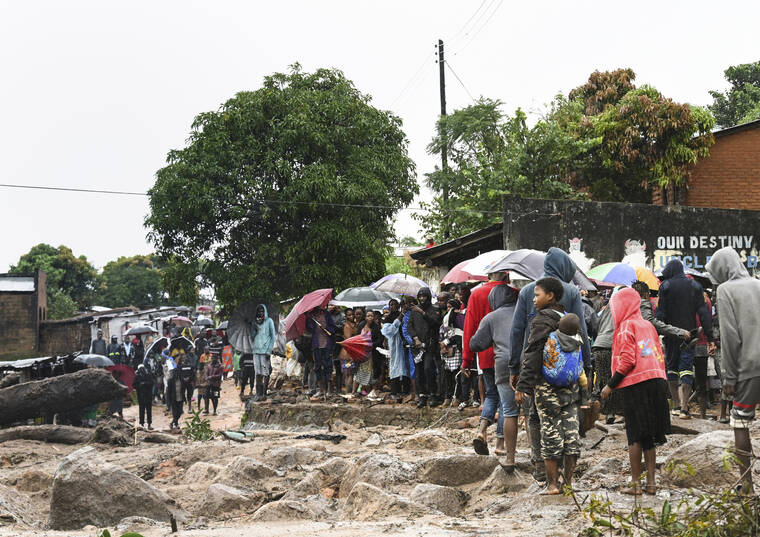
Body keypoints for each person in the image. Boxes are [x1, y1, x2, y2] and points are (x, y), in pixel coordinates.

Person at [511, 248, 591, 480]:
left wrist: (515, 368)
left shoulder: (528, 291)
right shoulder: (571, 291)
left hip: (536, 367)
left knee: (535, 416)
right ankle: (566, 474)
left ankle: (541, 470)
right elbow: (581, 331)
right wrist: (586, 363)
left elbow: (517, 331)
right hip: (566, 367)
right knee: (568, 415)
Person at [601, 287, 670, 495]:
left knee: (634, 435)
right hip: (656, 380)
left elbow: (628, 360)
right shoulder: (648, 325)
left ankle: (635, 484)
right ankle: (651, 483)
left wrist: (610, 385)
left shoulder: (625, 326)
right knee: (649, 434)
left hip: (636, 384)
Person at [515, 277, 581, 495]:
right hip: (570, 386)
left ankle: (552, 485)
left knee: (550, 432)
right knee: (571, 433)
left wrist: (523, 385)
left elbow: (533, 353)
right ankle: (568, 483)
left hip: (547, 387)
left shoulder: (542, 319)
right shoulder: (568, 318)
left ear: (550, 295)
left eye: (537, 294)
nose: (534, 299)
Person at [706, 247, 760, 493]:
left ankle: (746, 485)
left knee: (740, 422)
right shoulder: (758, 284)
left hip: (748, 367)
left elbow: (729, 336)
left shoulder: (725, 290)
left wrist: (728, 375)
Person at [656, 259, 714, 419]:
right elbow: (703, 314)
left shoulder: (665, 286)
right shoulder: (695, 286)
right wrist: (710, 337)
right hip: (689, 336)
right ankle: (684, 408)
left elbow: (660, 314)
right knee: (686, 368)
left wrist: (657, 333)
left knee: (672, 368)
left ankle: (675, 405)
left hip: (671, 335)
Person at [469, 284, 519, 466]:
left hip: (503, 366)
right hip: (529, 365)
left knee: (508, 410)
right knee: (531, 414)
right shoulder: (525, 312)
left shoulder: (491, 318)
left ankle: (510, 458)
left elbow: (475, 344)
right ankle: (537, 459)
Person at [462, 271, 508, 416]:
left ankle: (482, 430)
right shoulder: (514, 293)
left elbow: (469, 329)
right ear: (507, 276)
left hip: (485, 353)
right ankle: (502, 437)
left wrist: (466, 360)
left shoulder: (476, 294)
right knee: (506, 401)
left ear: (488, 275)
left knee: (491, 395)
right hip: (509, 353)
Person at [407, 287, 442, 407]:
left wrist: (423, 313)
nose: (422, 299)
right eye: (420, 296)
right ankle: (422, 395)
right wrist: (415, 338)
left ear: (428, 297)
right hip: (417, 346)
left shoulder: (434, 309)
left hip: (430, 345)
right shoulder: (413, 311)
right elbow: (409, 326)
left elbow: (436, 323)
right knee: (419, 371)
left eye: (424, 296)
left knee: (428, 369)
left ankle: (433, 394)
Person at [382, 301, 411, 403]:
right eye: (391, 305)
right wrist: (399, 317)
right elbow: (388, 331)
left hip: (405, 344)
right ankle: (394, 391)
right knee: (395, 366)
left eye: (395, 304)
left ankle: (406, 391)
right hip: (395, 345)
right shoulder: (389, 318)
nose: (393, 306)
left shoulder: (406, 315)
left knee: (406, 367)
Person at [307, 306, 336, 399]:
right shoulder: (311, 317)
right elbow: (309, 329)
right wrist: (313, 324)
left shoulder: (326, 315)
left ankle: (328, 390)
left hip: (327, 345)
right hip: (317, 346)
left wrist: (325, 327)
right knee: (318, 367)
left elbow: (333, 329)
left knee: (328, 367)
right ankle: (321, 390)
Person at [439, 299, 463, 407]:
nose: (449, 310)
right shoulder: (445, 321)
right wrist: (442, 345)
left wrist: (446, 342)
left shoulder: (459, 320)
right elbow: (441, 334)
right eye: (448, 307)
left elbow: (458, 335)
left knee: (456, 376)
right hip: (446, 352)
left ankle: (456, 397)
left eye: (451, 307)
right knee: (447, 376)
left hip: (455, 350)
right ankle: (447, 397)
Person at [251, 304, 276, 402]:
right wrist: (254, 329)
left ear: (265, 311)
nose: (260, 313)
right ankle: (258, 394)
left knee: (266, 372)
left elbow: (273, 336)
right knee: (257, 372)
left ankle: (264, 393)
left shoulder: (269, 321)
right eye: (259, 311)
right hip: (256, 350)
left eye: (262, 311)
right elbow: (252, 336)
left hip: (265, 351)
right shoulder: (254, 322)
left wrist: (269, 350)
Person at [134, 364, 155, 429]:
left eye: (142, 368)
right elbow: (134, 385)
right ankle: (142, 424)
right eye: (140, 369)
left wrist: (145, 383)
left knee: (149, 411)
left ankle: (149, 424)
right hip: (141, 396)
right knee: (141, 411)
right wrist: (139, 385)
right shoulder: (137, 377)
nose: (142, 370)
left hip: (148, 396)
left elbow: (152, 383)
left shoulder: (148, 375)